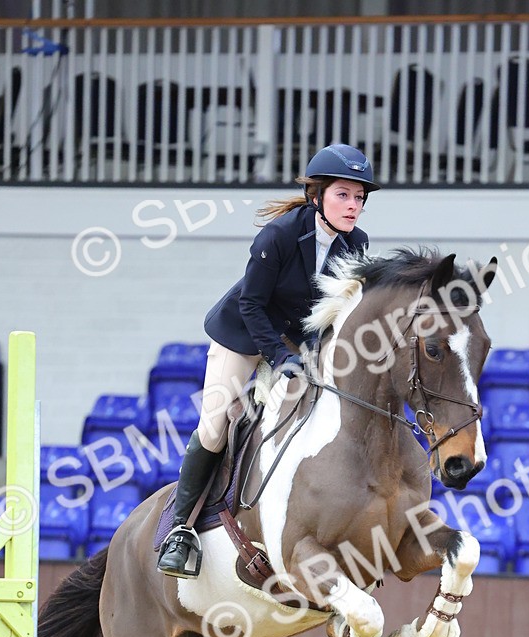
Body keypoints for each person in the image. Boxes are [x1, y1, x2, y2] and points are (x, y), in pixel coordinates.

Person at [157, 143, 380, 577]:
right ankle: (179, 531)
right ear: (317, 196)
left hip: (298, 338)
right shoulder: (277, 237)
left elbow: (337, 307)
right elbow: (251, 306)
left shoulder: (358, 243)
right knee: (216, 423)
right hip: (242, 335)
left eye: (359, 198)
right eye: (343, 195)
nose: (353, 206)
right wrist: (279, 358)